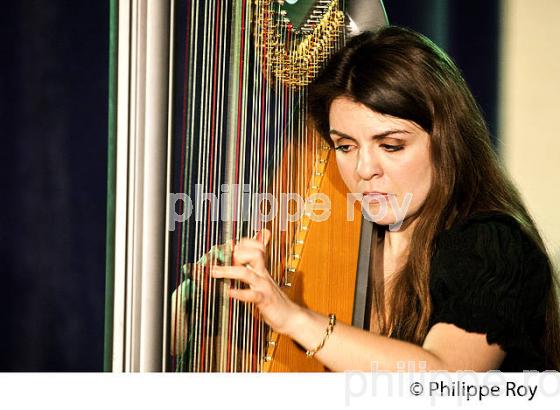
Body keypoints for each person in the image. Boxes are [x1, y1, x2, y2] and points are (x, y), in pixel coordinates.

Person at [210, 26, 560, 371]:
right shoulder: (341, 245)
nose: (364, 169)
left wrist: (295, 318)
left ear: (447, 143)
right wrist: (205, 303)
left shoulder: (492, 245)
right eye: (345, 146)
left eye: (390, 145)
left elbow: (444, 382)